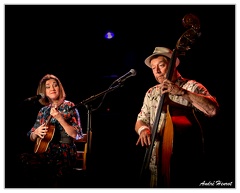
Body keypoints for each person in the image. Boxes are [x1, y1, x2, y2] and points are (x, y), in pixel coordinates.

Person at [135, 47, 219, 188]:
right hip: (155, 165)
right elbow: (141, 118)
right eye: (153, 68)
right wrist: (143, 129)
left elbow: (213, 110)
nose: (157, 71)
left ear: (173, 64)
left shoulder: (192, 86)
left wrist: (182, 92)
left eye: (161, 65)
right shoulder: (151, 92)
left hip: (184, 164)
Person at [18, 74, 83, 188]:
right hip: (46, 153)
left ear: (60, 88)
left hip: (64, 152)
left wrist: (60, 118)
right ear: (43, 91)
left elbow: (76, 135)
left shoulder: (70, 106)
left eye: (55, 85)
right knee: (23, 160)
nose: (52, 88)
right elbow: (30, 135)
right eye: (48, 86)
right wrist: (36, 132)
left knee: (49, 172)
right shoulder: (43, 110)